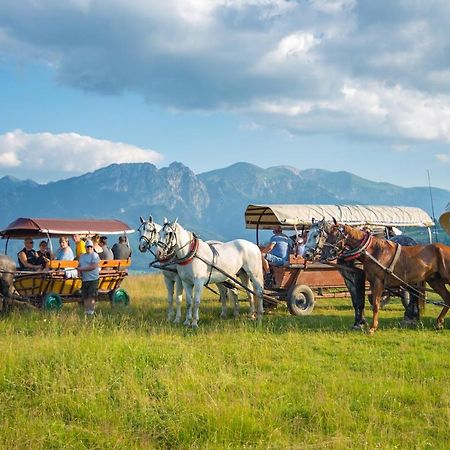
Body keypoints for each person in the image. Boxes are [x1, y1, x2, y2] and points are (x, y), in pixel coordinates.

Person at [77, 239, 100, 315]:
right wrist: (79, 272)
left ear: (92, 247)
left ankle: (91, 311)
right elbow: (79, 265)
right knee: (85, 296)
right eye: (87, 247)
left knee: (91, 296)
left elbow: (93, 266)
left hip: (93, 279)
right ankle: (87, 311)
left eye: (90, 246)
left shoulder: (95, 255)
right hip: (85, 279)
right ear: (85, 247)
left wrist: (81, 269)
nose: (89, 248)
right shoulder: (82, 256)